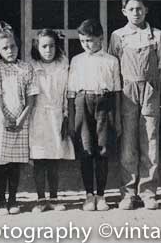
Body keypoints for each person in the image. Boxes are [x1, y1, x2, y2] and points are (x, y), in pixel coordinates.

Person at [108, 0, 161, 211]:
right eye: (131, 9)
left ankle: (149, 192)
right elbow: (113, 65)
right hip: (127, 91)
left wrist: (152, 85)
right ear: (124, 11)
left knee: (150, 139)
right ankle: (128, 192)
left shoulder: (157, 35)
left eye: (140, 9)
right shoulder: (118, 36)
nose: (136, 12)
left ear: (146, 10)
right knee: (128, 142)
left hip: (150, 89)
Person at [67, 19, 122, 212]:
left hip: (104, 104)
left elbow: (116, 90)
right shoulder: (77, 60)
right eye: (83, 41)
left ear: (101, 38)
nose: (86, 45)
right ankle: (89, 195)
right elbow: (71, 92)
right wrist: (73, 118)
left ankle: (101, 194)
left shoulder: (111, 61)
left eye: (90, 40)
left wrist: (116, 117)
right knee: (86, 150)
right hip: (83, 103)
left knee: (103, 149)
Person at [0, 22, 37, 215]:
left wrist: (22, 119)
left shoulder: (26, 68)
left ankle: (13, 199)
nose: (10, 51)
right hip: (2, 122)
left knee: (15, 163)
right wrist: (3, 118)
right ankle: (1, 200)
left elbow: (31, 97)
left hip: (21, 120)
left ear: (18, 45)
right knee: (3, 163)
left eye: (13, 46)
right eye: (5, 48)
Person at [28, 29, 75, 213]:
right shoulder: (31, 66)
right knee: (40, 159)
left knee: (54, 160)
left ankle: (54, 198)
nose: (48, 50)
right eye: (44, 46)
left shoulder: (63, 65)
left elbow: (66, 93)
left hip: (56, 116)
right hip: (38, 117)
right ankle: (40, 199)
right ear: (37, 47)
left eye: (52, 46)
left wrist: (65, 116)